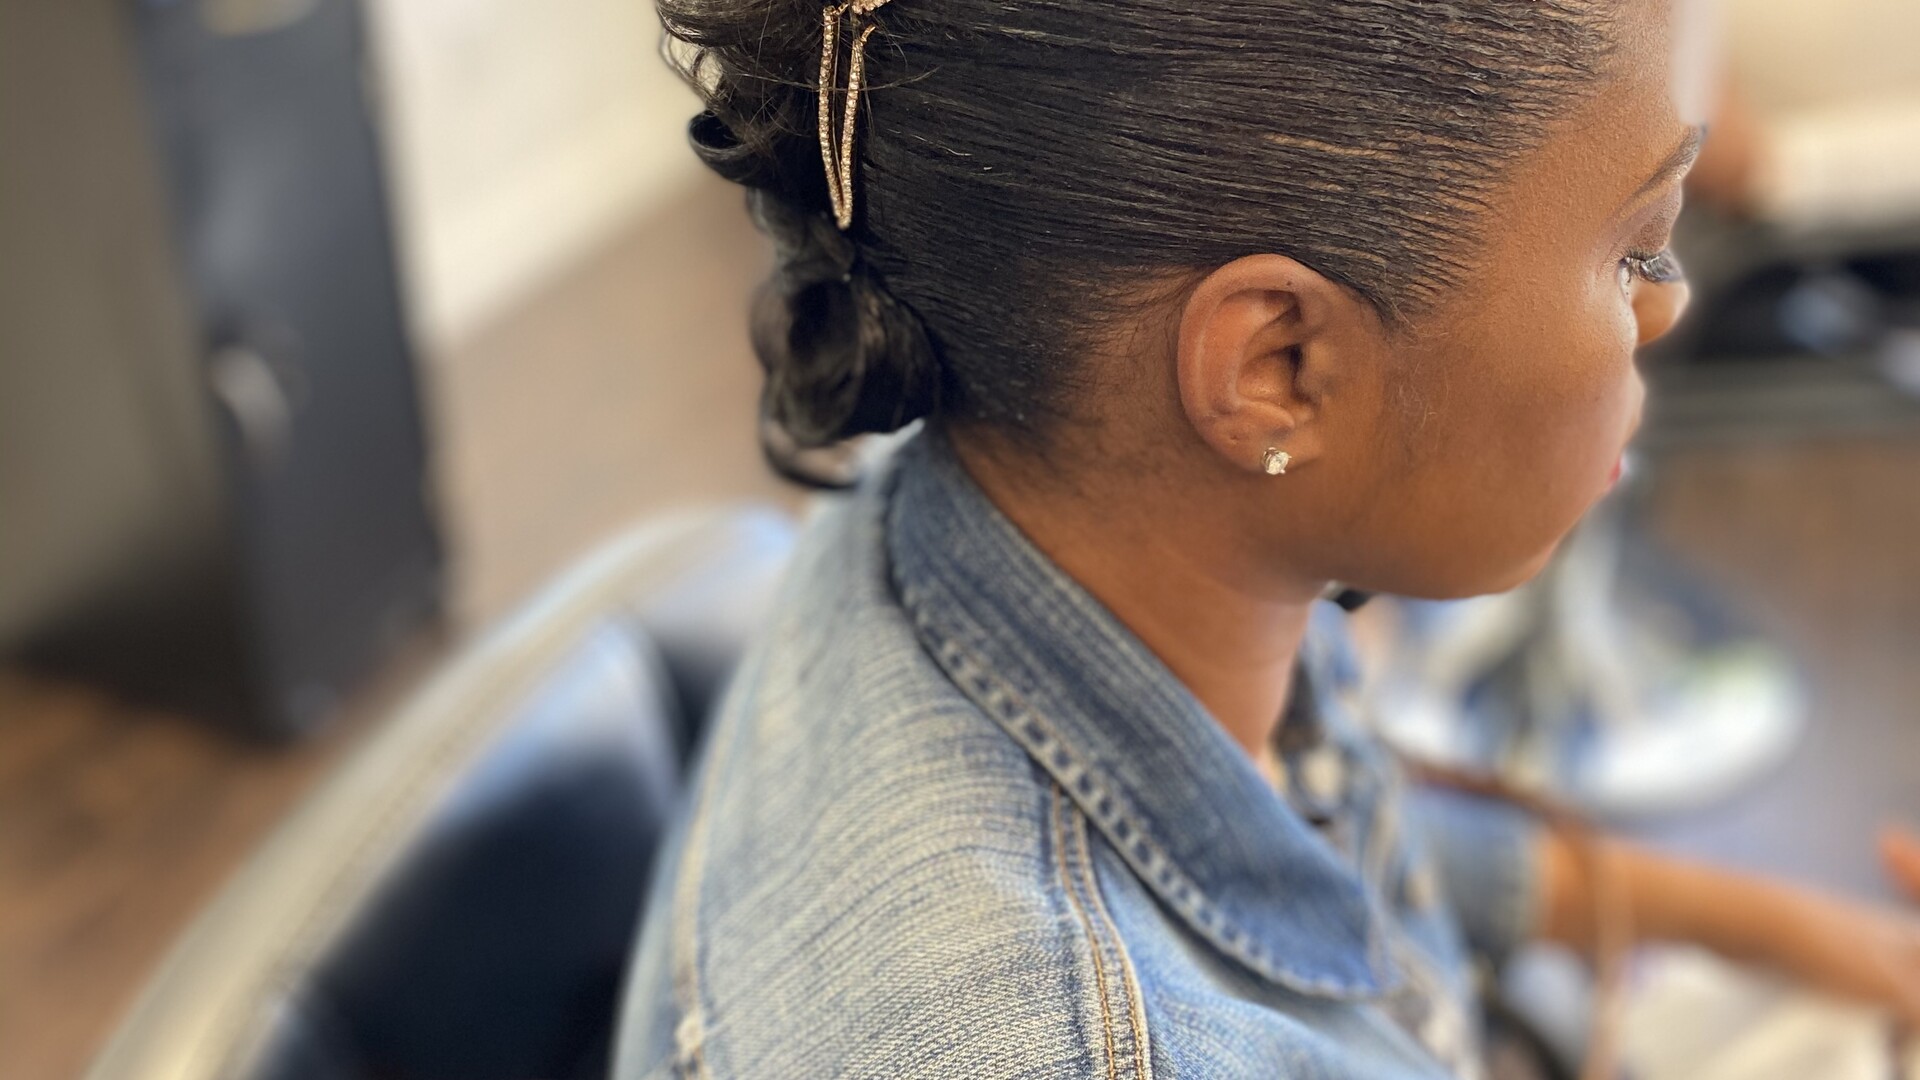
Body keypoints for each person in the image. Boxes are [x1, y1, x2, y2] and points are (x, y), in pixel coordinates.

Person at [613, 1, 1920, 1076]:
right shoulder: (1088, 1047)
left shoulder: (1098, 526)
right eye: (1638, 244)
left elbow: (1318, 845)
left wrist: (1799, 936)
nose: (1667, 309)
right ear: (1281, 369)